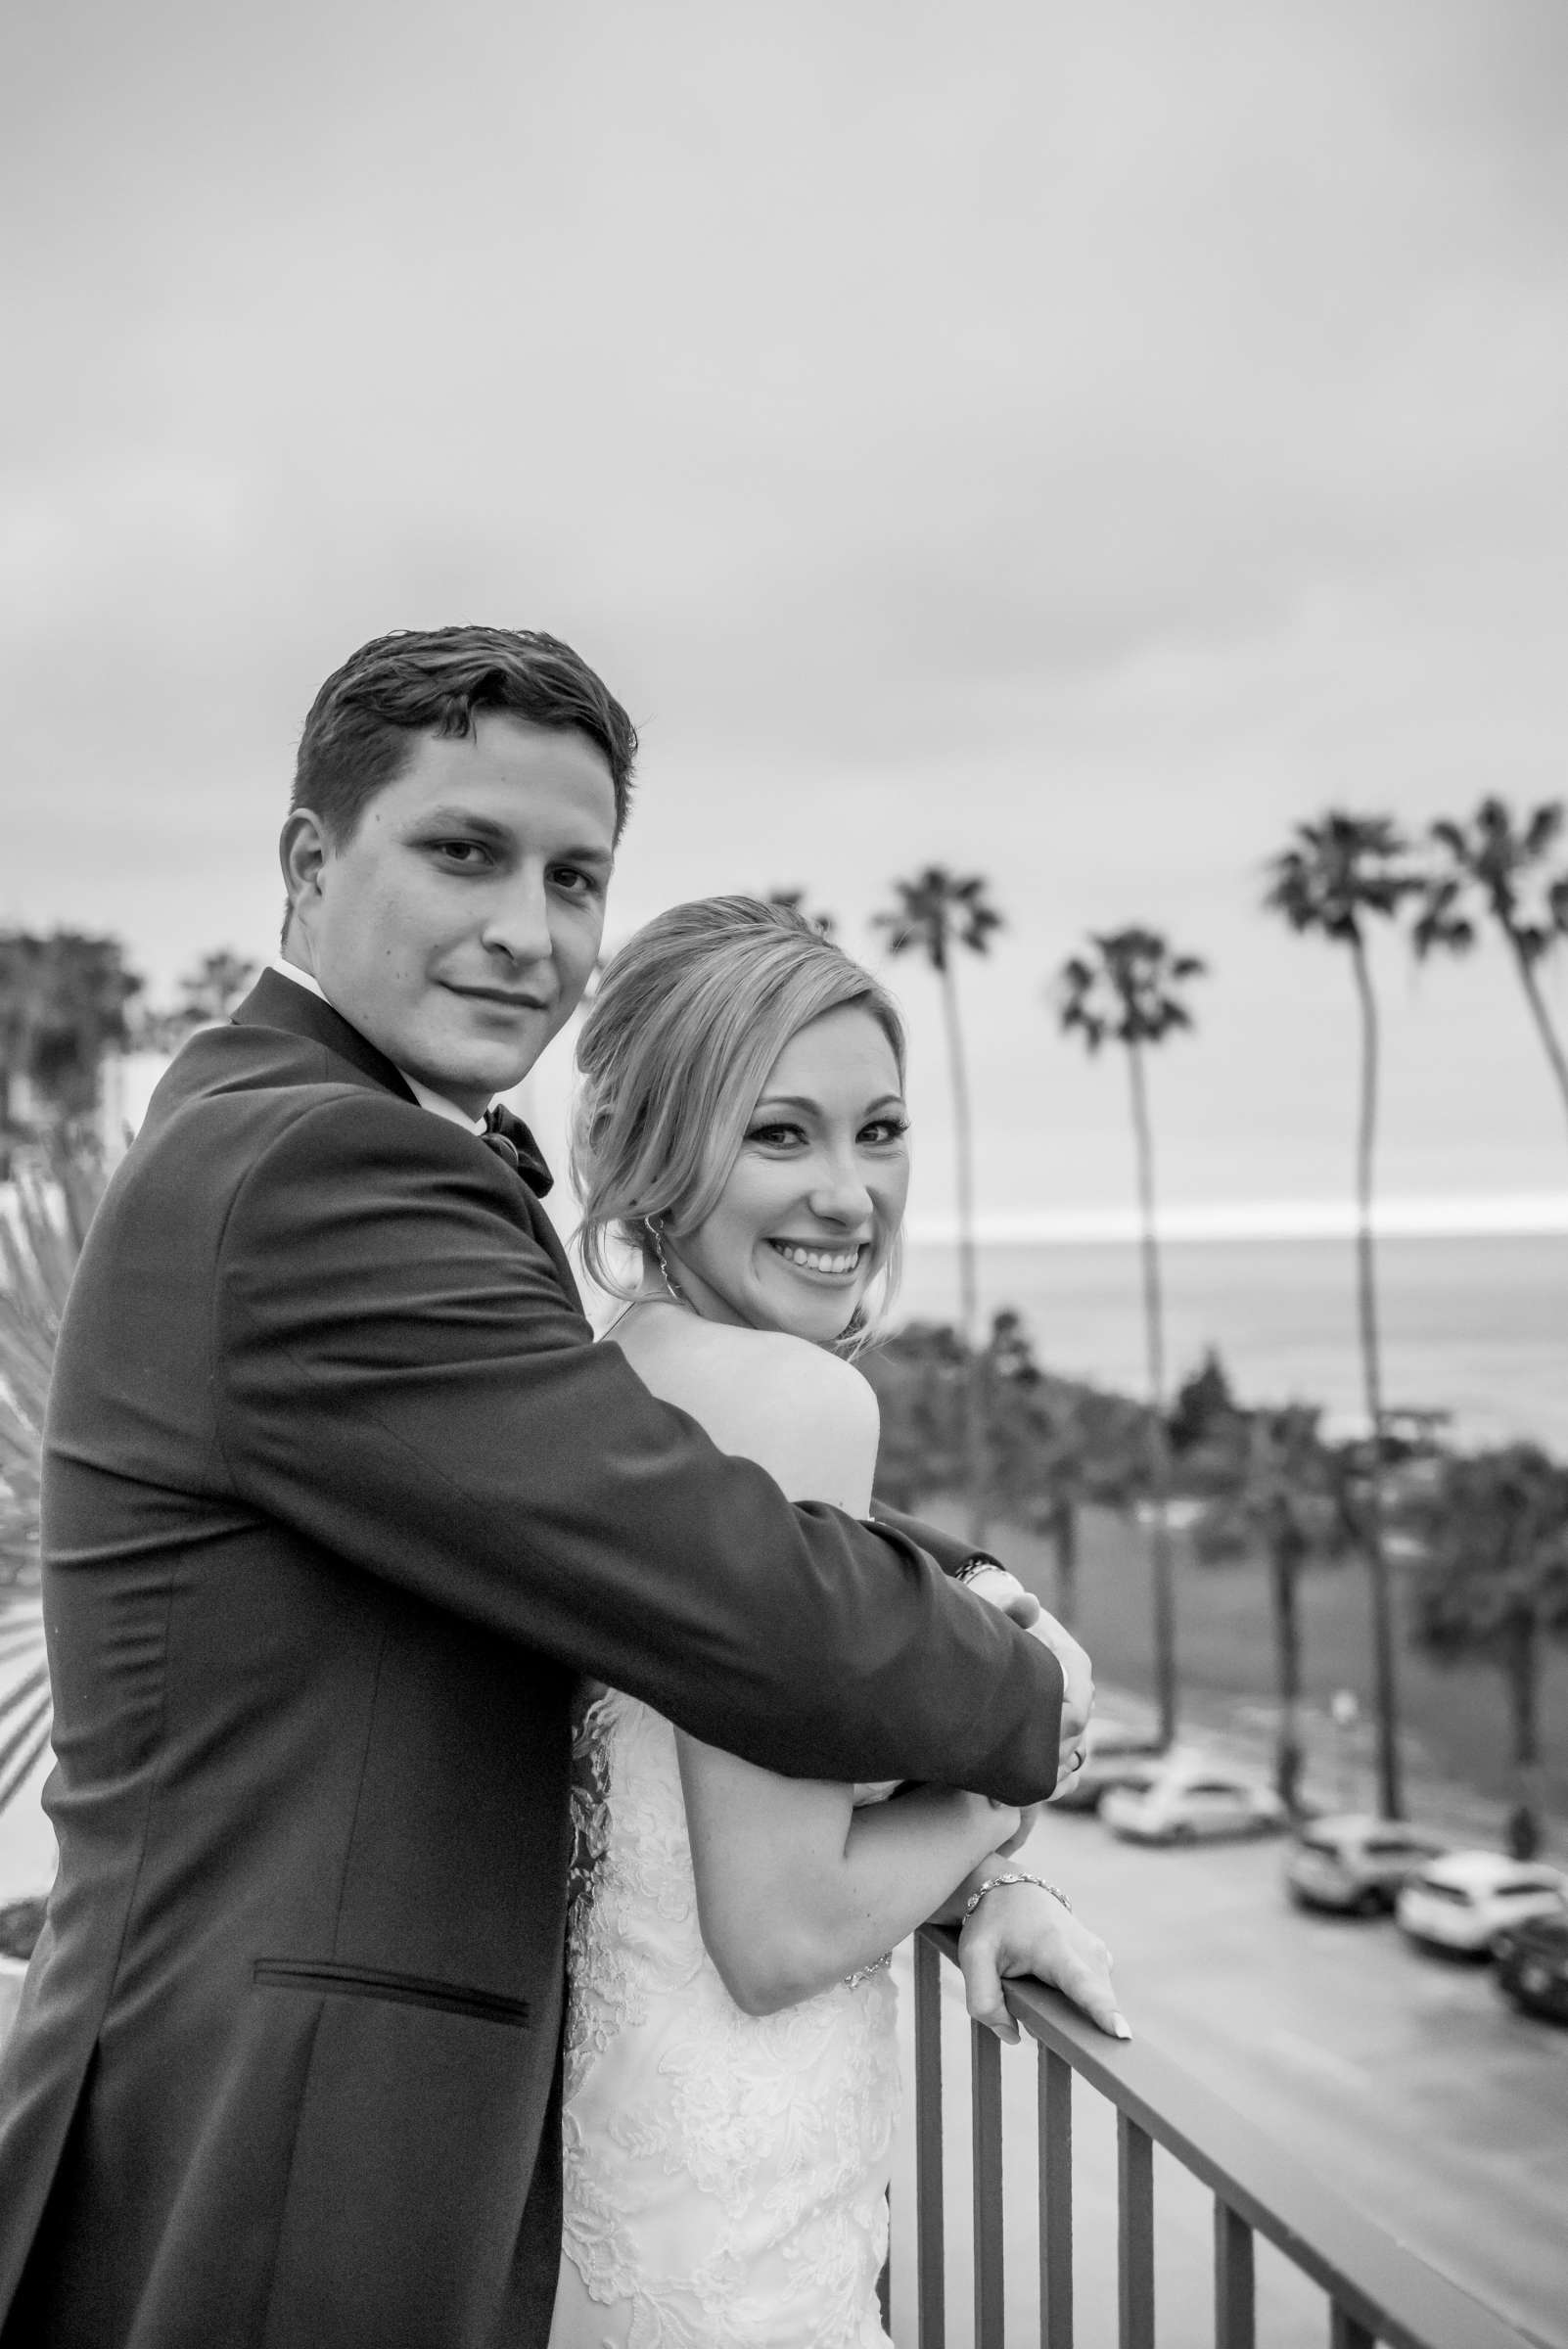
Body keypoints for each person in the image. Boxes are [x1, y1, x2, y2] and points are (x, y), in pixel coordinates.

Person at [0, 627, 1095, 2349]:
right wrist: (1034, 1701)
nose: (529, 928)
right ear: (307, 862)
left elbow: (619, 1476)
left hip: (304, 2117)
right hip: (283, 2152)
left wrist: (950, 1597)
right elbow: (725, 1580)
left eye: (573, 875)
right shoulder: (320, 1169)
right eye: (464, 853)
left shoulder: (316, 1132)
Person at [549, 898, 1123, 2349]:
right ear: (654, 1153)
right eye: (779, 1134)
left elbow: (682, 1829)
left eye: (877, 1133)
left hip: (611, 2195)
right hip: (740, 2242)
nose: (847, 1196)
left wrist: (978, 1892)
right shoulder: (793, 1404)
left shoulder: (617, 1381)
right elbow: (779, 1925)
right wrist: (1012, 1788)